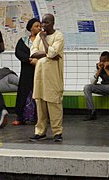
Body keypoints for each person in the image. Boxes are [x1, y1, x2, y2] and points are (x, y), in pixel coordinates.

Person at [29, 13, 65, 143]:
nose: (43, 26)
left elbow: (53, 52)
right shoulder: (38, 35)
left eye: (46, 23)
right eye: (42, 23)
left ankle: (57, 132)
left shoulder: (58, 36)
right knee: (40, 104)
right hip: (39, 76)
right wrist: (47, 53)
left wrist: (44, 41)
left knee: (54, 104)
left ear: (53, 23)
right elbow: (33, 52)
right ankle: (40, 132)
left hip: (53, 77)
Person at [13, 18, 41, 125]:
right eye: (36, 26)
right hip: (26, 70)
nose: (39, 28)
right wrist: (29, 59)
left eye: (39, 26)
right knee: (24, 92)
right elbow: (18, 52)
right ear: (30, 28)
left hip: (39, 70)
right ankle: (21, 116)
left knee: (38, 92)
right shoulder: (23, 41)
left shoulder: (43, 40)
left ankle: (38, 117)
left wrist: (38, 61)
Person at [82, 51, 109, 121]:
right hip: (103, 87)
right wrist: (99, 70)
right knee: (87, 87)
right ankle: (91, 112)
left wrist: (106, 69)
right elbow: (93, 82)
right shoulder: (98, 67)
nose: (102, 63)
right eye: (101, 61)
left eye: (104, 61)